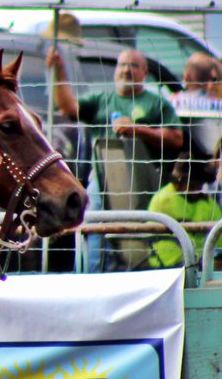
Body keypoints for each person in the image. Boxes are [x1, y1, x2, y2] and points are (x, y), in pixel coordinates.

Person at [46, 46, 183, 271]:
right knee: (94, 229)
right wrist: (59, 70)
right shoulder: (102, 99)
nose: (126, 71)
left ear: (145, 72)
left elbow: (176, 138)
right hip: (103, 179)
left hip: (144, 181)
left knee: (139, 234)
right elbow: (68, 107)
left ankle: (144, 275)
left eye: (133, 66)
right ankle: (93, 277)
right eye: (122, 65)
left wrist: (137, 130)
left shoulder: (156, 102)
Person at [147, 153, 222, 269]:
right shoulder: (162, 200)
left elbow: (219, 242)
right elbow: (160, 244)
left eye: (197, 184)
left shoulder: (210, 204)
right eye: (190, 184)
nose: (194, 189)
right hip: (169, 265)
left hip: (205, 262)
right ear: (176, 183)